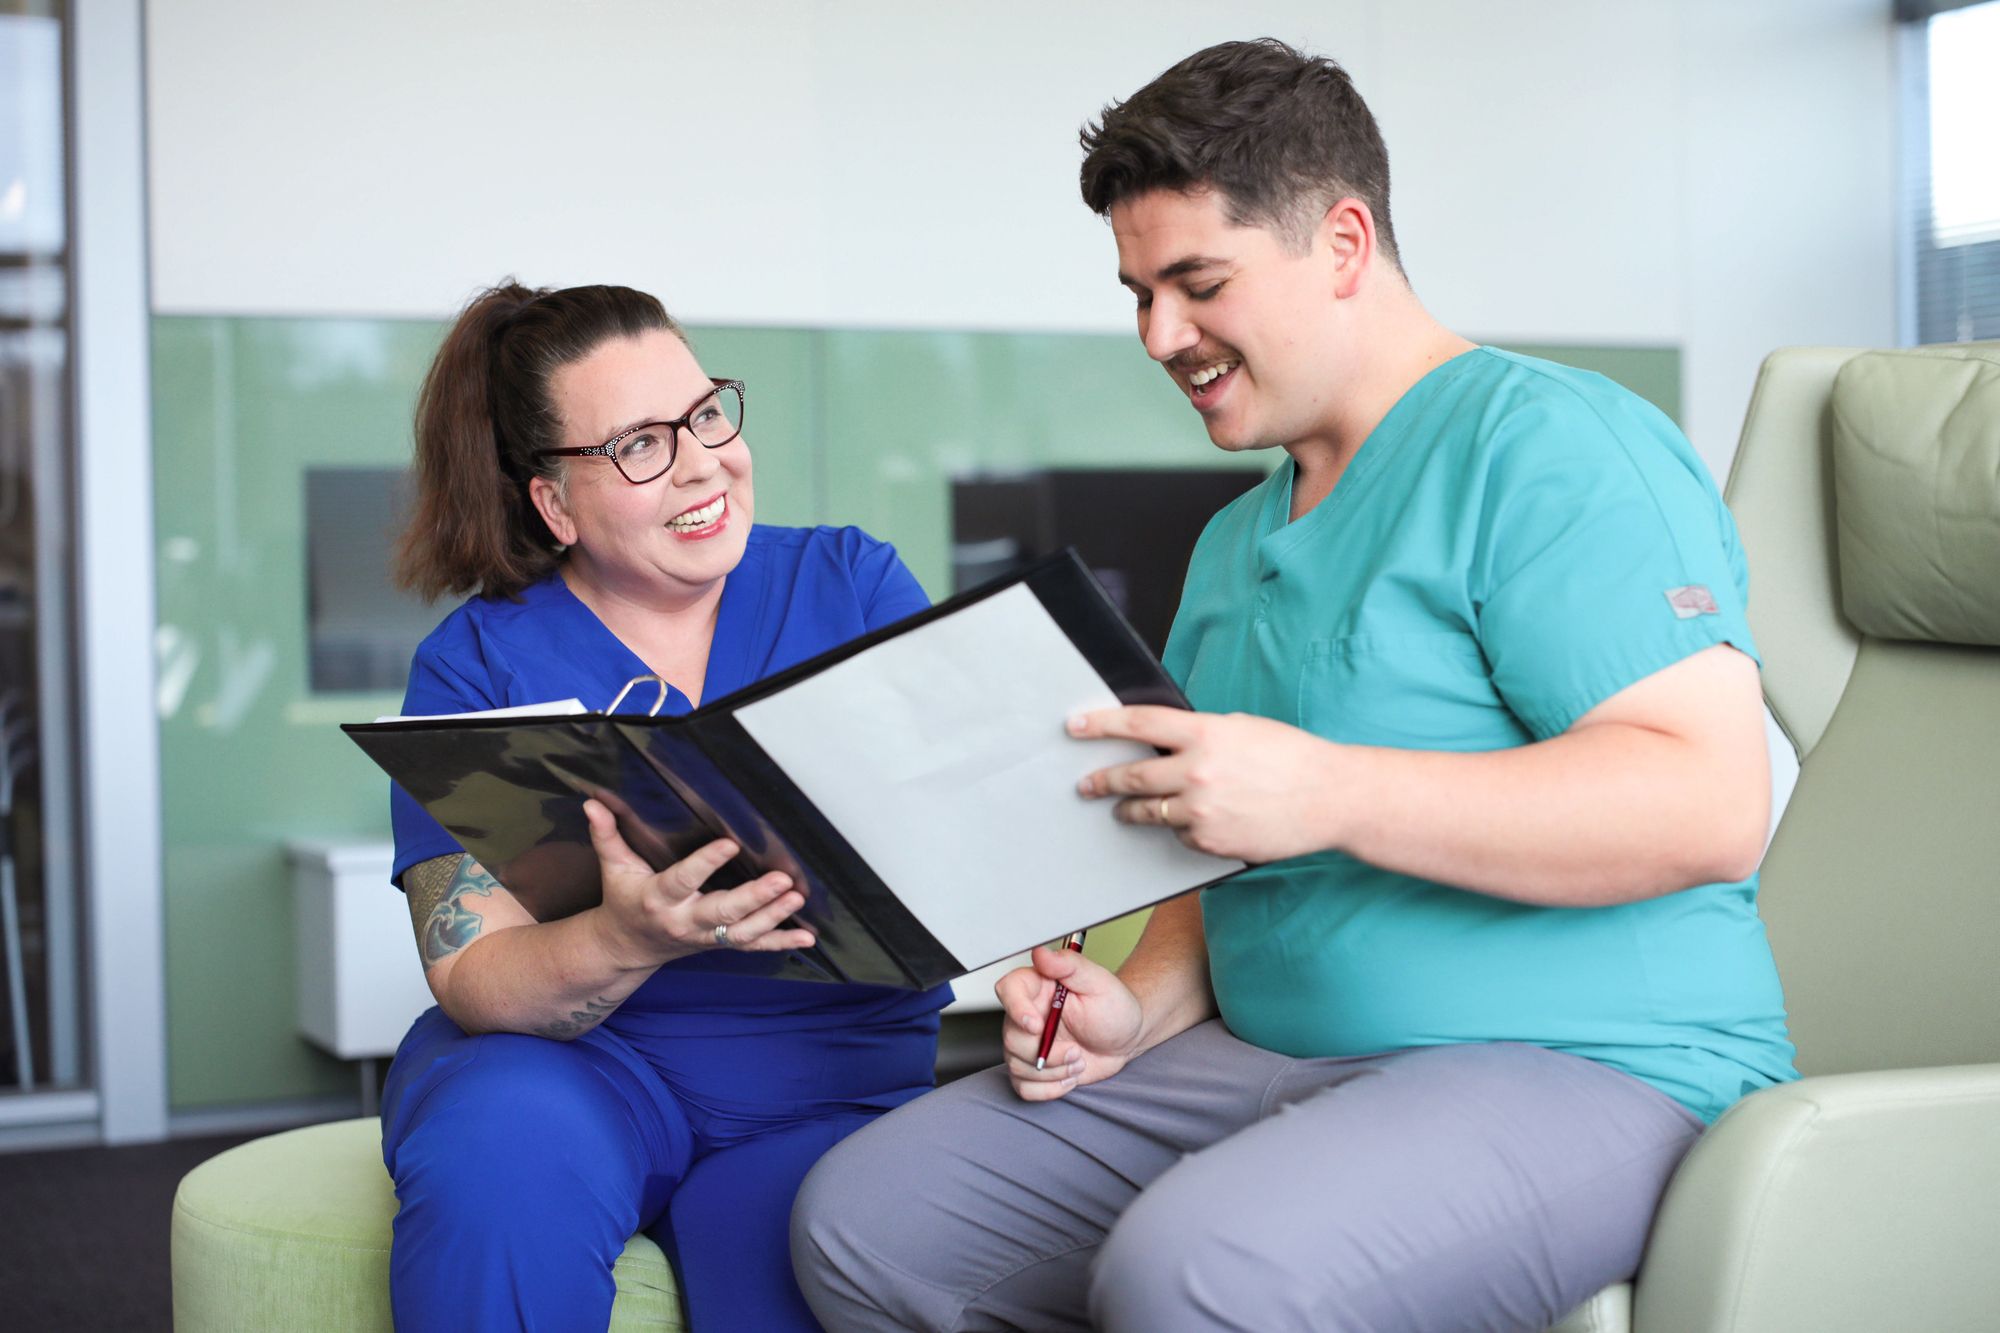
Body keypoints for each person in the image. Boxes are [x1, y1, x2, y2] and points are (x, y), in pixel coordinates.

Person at [791, 39, 1796, 1333]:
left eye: (1196, 283)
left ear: (1340, 241)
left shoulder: (1554, 448)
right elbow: (1221, 875)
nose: (1161, 335)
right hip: (1276, 1056)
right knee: (874, 1223)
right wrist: (1133, 1006)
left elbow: (1704, 803)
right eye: (1139, 293)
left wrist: (1325, 789)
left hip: (1597, 1063)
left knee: (1200, 1272)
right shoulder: (1231, 543)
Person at [381, 280, 949, 1332]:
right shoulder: (476, 665)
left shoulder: (852, 586)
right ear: (554, 501)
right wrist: (622, 936)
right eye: (640, 443)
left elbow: (958, 833)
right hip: (588, 1062)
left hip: (833, 1075)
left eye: (704, 415)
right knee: (498, 1160)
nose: (702, 463)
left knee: (783, 1252)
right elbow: (471, 969)